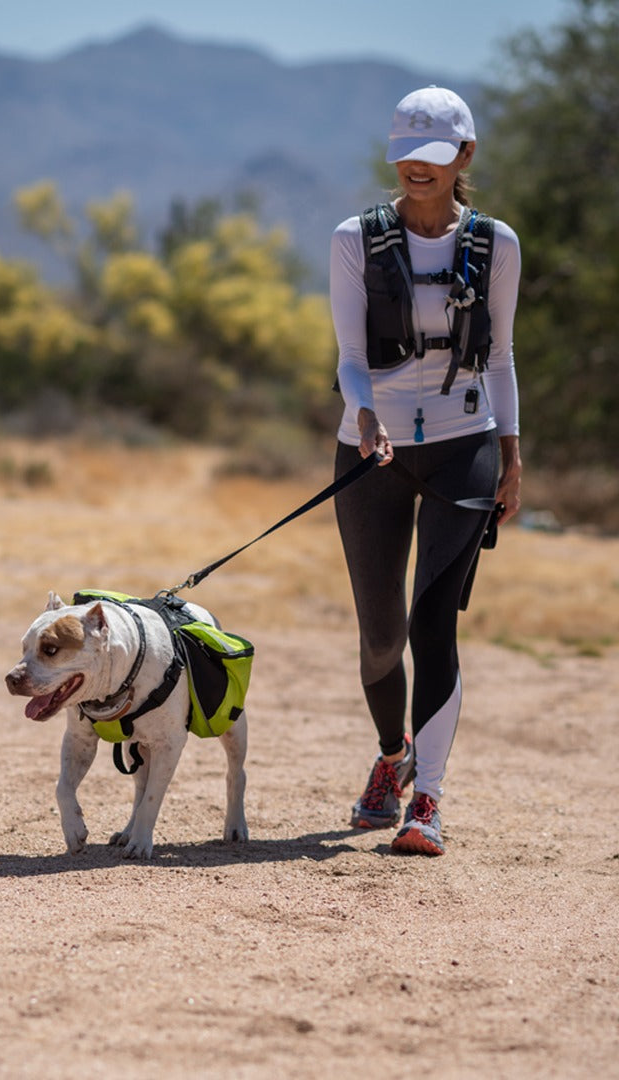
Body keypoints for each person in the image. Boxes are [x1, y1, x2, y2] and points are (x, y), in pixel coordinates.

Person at [330, 86, 522, 855]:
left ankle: (429, 802)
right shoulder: (354, 238)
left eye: (435, 157)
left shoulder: (496, 244)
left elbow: (502, 357)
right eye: (407, 155)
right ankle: (391, 757)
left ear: (465, 157)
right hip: (369, 449)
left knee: (430, 624)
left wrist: (512, 458)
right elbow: (349, 358)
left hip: (463, 442)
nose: (418, 168)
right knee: (381, 638)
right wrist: (366, 417)